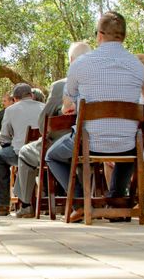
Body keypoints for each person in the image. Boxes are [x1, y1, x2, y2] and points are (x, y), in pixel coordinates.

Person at [45, 11, 144, 222]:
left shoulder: (80, 64)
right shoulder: (138, 66)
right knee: (128, 144)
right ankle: (116, 199)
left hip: (89, 140)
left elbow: (68, 101)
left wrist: (70, 106)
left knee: (52, 155)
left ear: (100, 35)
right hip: (128, 142)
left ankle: (81, 201)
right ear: (124, 36)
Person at [13, 42, 91, 218]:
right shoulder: (99, 84)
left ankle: (26, 205)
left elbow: (43, 125)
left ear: (71, 61)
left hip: (62, 145)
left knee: (25, 152)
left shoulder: (60, 86)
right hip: (93, 143)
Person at [0, 83, 44, 216]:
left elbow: (4, 137)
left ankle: (3, 205)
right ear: (31, 95)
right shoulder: (44, 108)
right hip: (43, 153)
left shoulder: (10, 110)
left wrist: (8, 143)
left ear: (14, 98)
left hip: (20, 153)